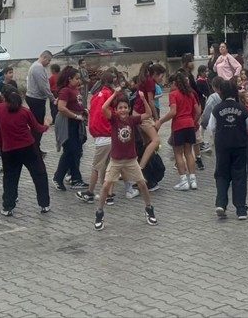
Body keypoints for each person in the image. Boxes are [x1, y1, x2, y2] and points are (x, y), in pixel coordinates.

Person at [0, 88, 52, 216]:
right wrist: (47, 125)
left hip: (9, 150)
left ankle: (7, 207)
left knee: (10, 179)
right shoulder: (25, 111)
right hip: (29, 148)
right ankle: (44, 205)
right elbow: (37, 128)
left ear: (5, 99)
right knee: (39, 175)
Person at [93, 94, 158, 230]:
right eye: (120, 108)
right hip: (116, 160)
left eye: (125, 107)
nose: (123, 110)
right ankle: (99, 212)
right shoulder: (114, 119)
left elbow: (148, 113)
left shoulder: (132, 120)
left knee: (142, 184)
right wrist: (114, 95)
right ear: (116, 110)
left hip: (131, 160)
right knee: (106, 186)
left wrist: (144, 99)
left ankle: (149, 208)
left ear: (129, 109)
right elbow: (104, 107)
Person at [208, 79, 248, 220]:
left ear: (221, 92)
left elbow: (211, 128)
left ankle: (221, 203)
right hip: (239, 146)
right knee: (239, 176)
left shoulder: (217, 109)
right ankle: (241, 209)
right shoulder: (242, 108)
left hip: (222, 147)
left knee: (221, 175)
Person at [77, 70, 117, 205]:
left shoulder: (96, 96)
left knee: (96, 166)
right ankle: (109, 194)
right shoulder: (111, 95)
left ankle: (90, 192)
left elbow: (94, 116)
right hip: (109, 134)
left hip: (101, 136)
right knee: (108, 167)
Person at [157, 71, 201, 191]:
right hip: (190, 125)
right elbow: (197, 111)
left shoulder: (174, 94)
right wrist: (193, 121)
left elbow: (173, 112)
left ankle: (183, 180)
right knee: (189, 152)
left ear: (174, 83)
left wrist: (160, 121)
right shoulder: (190, 94)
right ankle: (193, 180)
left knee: (178, 153)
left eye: (171, 83)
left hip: (178, 126)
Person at [53, 66, 87, 190]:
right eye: (76, 79)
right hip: (67, 122)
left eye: (79, 79)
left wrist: (84, 110)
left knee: (77, 151)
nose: (79, 81)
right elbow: (61, 108)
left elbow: (78, 104)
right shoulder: (65, 91)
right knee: (69, 151)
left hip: (76, 122)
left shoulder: (75, 90)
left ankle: (76, 178)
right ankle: (58, 177)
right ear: (69, 79)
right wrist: (75, 116)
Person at [25, 51, 52, 150]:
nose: (48, 63)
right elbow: (43, 86)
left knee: (36, 123)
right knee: (38, 125)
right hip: (36, 99)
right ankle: (35, 147)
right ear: (44, 57)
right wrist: (52, 98)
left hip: (35, 98)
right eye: (48, 60)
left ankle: (36, 146)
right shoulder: (38, 67)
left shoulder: (36, 66)